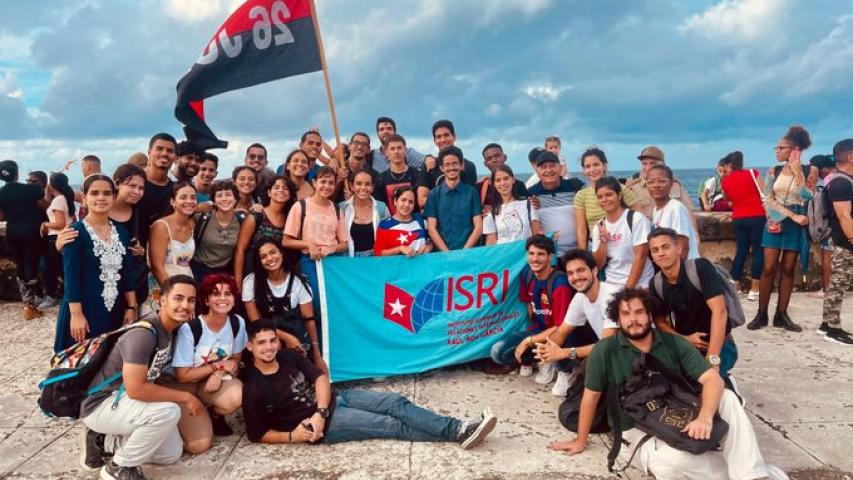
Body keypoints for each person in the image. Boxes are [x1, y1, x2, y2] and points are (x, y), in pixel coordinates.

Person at [549, 288, 783, 480]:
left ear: (650, 315)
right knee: (672, 463)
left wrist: (705, 417)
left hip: (674, 411)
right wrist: (580, 440)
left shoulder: (673, 343)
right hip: (635, 428)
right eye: (626, 314)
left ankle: (753, 475)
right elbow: (590, 397)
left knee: (728, 398)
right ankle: (749, 471)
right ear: (618, 319)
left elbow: (712, 378)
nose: (633, 319)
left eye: (639, 312)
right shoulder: (605, 350)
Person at [242, 318, 498, 448]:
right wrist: (292, 436)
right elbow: (257, 434)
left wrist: (320, 410)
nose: (269, 347)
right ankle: (458, 432)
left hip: (333, 401)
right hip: (328, 426)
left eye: (272, 340)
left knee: (395, 402)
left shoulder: (287, 356)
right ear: (249, 346)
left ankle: (459, 428)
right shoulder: (254, 388)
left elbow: (319, 377)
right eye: (261, 343)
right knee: (391, 425)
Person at [79, 275, 202, 479]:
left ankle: (103, 441)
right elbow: (136, 389)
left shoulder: (171, 329)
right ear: (162, 300)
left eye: (191, 300)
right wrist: (186, 397)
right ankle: (118, 467)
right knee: (168, 412)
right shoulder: (143, 334)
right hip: (103, 403)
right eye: (178, 298)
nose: (185, 305)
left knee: (170, 454)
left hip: (127, 402)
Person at [53, 175, 138, 352]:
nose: (101, 198)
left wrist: (131, 307)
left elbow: (127, 273)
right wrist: (76, 315)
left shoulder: (122, 232)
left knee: (109, 358)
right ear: (84, 198)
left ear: (113, 198)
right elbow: (71, 278)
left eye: (107, 193)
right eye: (94, 193)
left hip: (115, 308)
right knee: (80, 360)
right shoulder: (74, 233)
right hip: (84, 308)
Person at [647, 228, 739, 387]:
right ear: (652, 257)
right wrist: (685, 339)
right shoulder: (656, 284)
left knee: (710, 385)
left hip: (720, 346)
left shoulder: (700, 268)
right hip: (687, 347)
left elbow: (720, 311)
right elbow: (660, 323)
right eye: (655, 250)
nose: (661, 253)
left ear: (678, 248)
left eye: (665, 247)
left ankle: (728, 384)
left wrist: (712, 360)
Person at [748, 126, 818, 332]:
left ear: (795, 150)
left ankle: (782, 314)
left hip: (796, 224)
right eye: (776, 148)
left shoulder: (810, 170)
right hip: (776, 219)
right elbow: (767, 198)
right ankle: (761, 314)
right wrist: (791, 215)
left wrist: (798, 173)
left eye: (781, 148)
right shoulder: (774, 170)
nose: (777, 151)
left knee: (788, 269)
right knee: (769, 268)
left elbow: (807, 196)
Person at [172, 274, 246, 452]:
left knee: (238, 396)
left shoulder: (237, 323)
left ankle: (212, 411)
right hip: (184, 388)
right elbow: (182, 376)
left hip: (208, 385)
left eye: (228, 294)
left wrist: (219, 374)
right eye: (216, 294)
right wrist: (217, 366)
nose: (223, 298)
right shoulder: (191, 329)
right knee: (199, 446)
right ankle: (174, 421)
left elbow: (235, 359)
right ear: (206, 300)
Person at [490, 235, 573, 385]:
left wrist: (529, 341)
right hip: (539, 330)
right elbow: (529, 304)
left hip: (561, 335)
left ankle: (564, 369)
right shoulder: (527, 273)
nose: (535, 259)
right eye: (531, 253)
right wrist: (531, 337)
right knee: (498, 352)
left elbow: (561, 328)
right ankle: (539, 359)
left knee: (564, 339)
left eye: (541, 254)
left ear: (550, 256)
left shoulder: (560, 284)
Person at [536, 249, 619, 396]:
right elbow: (562, 331)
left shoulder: (611, 296)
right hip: (608, 351)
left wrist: (564, 353)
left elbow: (607, 345)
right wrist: (547, 350)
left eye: (580, 270)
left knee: (590, 367)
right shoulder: (580, 297)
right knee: (562, 337)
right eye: (570, 273)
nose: (576, 277)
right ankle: (568, 373)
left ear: (594, 271)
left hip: (629, 355)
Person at [242, 240, 326, 372]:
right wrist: (286, 338)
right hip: (264, 333)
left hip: (294, 331)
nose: (269, 258)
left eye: (272, 252)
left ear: (281, 253)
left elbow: (308, 319)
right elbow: (255, 321)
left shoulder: (298, 282)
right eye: (263, 256)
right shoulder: (251, 282)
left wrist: (317, 355)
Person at [283, 166, 348, 319]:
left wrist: (332, 248)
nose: (327, 186)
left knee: (334, 302)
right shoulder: (301, 206)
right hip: (310, 261)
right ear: (314, 183)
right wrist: (309, 245)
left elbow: (344, 243)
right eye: (323, 181)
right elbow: (286, 241)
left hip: (333, 262)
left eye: (331, 183)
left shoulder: (336, 209)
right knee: (316, 301)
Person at [0, 159, 48, 320]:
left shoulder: (1, 193)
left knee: (20, 266)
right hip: (32, 233)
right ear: (17, 173)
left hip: (12, 234)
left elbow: (1, 216)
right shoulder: (31, 189)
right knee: (31, 266)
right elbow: (46, 206)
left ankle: (27, 304)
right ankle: (31, 306)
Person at [590, 177, 654, 288]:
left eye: (609, 195)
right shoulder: (599, 227)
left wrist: (627, 290)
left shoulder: (636, 219)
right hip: (611, 284)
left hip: (640, 285)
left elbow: (641, 257)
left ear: (619, 195)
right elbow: (599, 264)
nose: (604, 199)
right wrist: (603, 242)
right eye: (600, 197)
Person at [819, 139, 853, 345]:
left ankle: (827, 324)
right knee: (838, 284)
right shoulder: (841, 183)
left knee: (838, 283)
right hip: (844, 241)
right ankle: (833, 328)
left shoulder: (844, 180)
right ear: (850, 157)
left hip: (843, 241)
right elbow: (844, 216)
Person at [233, 176, 295, 287]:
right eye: (276, 187)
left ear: (290, 194)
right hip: (253, 273)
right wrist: (238, 282)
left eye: (285, 188)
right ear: (269, 192)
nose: (281, 190)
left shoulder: (290, 218)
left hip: (277, 276)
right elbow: (240, 250)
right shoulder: (256, 216)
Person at [721, 151, 766, 301]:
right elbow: (764, 192)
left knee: (741, 251)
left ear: (729, 165)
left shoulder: (725, 180)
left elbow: (727, 198)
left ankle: (736, 287)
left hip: (738, 218)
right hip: (757, 216)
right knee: (758, 251)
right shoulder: (753, 173)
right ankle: (754, 290)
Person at [574, 148, 639, 250]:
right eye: (588, 166)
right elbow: (581, 230)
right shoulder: (581, 196)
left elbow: (639, 218)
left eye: (596, 164)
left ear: (604, 166)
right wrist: (582, 255)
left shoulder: (621, 189)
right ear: (583, 170)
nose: (592, 170)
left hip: (624, 244)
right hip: (596, 246)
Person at [424, 146, 483, 251]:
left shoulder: (472, 193)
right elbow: (432, 229)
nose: (451, 167)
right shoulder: (433, 195)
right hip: (443, 254)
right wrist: (447, 253)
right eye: (447, 164)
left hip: (470, 252)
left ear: (461, 165)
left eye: (455, 163)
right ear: (441, 168)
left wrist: (464, 251)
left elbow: (478, 226)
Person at [527, 150, 586, 255]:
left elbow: (595, 194)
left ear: (560, 168)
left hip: (577, 252)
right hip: (549, 254)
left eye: (552, 166)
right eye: (543, 167)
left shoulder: (575, 186)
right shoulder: (531, 194)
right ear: (537, 171)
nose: (548, 170)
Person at [191, 181, 245, 283]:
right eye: (219, 196)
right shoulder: (202, 218)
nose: (224, 199)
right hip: (199, 269)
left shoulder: (242, 221)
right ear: (214, 201)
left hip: (225, 272)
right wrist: (198, 207)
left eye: (228, 195)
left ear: (236, 199)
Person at [417, 119, 477, 208]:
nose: (443, 140)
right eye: (439, 137)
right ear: (434, 141)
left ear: (454, 137)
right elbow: (421, 200)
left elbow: (470, 199)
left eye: (446, 135)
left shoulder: (468, 166)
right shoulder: (429, 166)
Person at [625, 145, 697, 218]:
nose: (648, 167)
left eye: (652, 163)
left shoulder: (675, 186)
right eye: (644, 164)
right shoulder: (632, 188)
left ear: (662, 165)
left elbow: (690, 211)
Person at [149, 182, 197, 289]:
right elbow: (157, 267)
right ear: (173, 202)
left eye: (193, 197)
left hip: (186, 282)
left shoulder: (192, 224)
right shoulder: (161, 226)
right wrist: (171, 292)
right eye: (183, 197)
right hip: (164, 284)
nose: (189, 201)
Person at [39, 172, 77, 308]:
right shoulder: (63, 198)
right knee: (62, 269)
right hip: (63, 237)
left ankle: (52, 296)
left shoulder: (58, 200)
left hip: (56, 237)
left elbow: (60, 223)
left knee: (50, 269)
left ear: (52, 184)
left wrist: (45, 224)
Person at [648, 165, 700, 260]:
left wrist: (678, 269)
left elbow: (683, 247)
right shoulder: (656, 210)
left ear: (671, 183)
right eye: (651, 182)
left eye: (662, 181)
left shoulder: (676, 208)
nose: (656, 186)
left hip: (685, 265)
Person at [136, 133, 177, 248]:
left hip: (161, 251)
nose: (164, 153)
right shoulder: (133, 183)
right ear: (149, 152)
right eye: (159, 149)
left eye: (170, 151)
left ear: (175, 157)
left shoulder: (175, 190)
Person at [483, 165, 541, 244]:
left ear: (513, 180)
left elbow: (537, 235)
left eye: (506, 178)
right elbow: (491, 243)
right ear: (493, 184)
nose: (503, 183)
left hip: (526, 252)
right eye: (498, 180)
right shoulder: (490, 213)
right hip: (503, 252)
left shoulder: (528, 205)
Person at [339, 169, 389, 257]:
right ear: (351, 186)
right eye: (359, 183)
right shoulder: (342, 208)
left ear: (372, 187)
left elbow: (388, 238)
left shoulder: (382, 208)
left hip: (375, 260)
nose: (363, 188)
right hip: (349, 260)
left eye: (368, 184)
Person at [374, 186, 433, 257]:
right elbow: (379, 253)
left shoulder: (421, 220)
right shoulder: (384, 225)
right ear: (395, 201)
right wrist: (400, 249)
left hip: (423, 263)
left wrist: (429, 247)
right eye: (403, 200)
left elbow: (432, 240)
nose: (407, 205)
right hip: (397, 264)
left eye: (411, 202)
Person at [372, 134, 420, 214]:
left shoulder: (417, 175)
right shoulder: (380, 179)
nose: (396, 152)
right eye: (392, 149)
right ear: (386, 152)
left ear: (405, 150)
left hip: (414, 220)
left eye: (399, 148)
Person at [478, 143, 527, 207]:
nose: (494, 160)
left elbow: (527, 205)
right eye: (489, 158)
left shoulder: (518, 185)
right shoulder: (480, 188)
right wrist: (482, 210)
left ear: (504, 157)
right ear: (485, 164)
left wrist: (535, 202)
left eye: (497, 156)